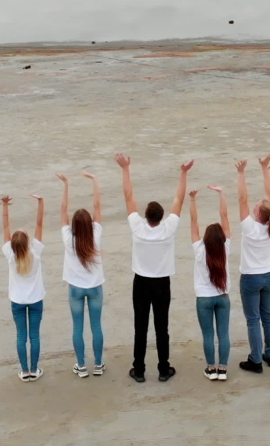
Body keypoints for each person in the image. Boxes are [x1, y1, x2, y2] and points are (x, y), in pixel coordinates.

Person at [116, 153, 194, 383]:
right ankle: (163, 369)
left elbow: (128, 196)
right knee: (162, 327)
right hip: (162, 283)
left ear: (146, 216)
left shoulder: (137, 228)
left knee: (140, 328)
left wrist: (126, 169)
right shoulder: (168, 228)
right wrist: (183, 172)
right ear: (160, 217)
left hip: (141, 282)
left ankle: (138, 370)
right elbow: (179, 199)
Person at [58, 171, 106, 378]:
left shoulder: (69, 238)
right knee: (96, 325)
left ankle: (81, 365)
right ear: (89, 224)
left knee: (78, 327)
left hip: (75, 288)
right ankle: (98, 364)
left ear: (74, 226)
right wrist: (95, 181)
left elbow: (63, 210)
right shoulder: (95, 234)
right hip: (95, 287)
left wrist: (66, 185)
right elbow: (97, 207)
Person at [235, 154, 270, 373]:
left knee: (253, 319)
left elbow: (241, 199)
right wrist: (265, 170)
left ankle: (255, 359)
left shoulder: (250, 228)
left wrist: (241, 173)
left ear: (258, 214)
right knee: (267, 316)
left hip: (251, 277)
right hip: (268, 276)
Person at [189, 186, 232, 381]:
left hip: (204, 299)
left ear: (206, 238)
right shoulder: (226, 248)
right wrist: (221, 193)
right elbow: (225, 216)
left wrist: (192, 200)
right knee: (223, 334)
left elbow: (194, 221)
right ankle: (223, 369)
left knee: (208, 335)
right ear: (222, 238)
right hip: (223, 297)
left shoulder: (199, 249)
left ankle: (210, 368)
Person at [1, 193, 46, 382]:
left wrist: (5, 206)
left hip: (17, 300)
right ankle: (34, 370)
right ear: (28, 242)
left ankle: (24, 371)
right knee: (34, 335)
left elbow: (5, 226)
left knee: (21, 336)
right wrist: (41, 202)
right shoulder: (35, 251)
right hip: (35, 299)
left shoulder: (10, 254)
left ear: (12, 244)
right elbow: (39, 224)